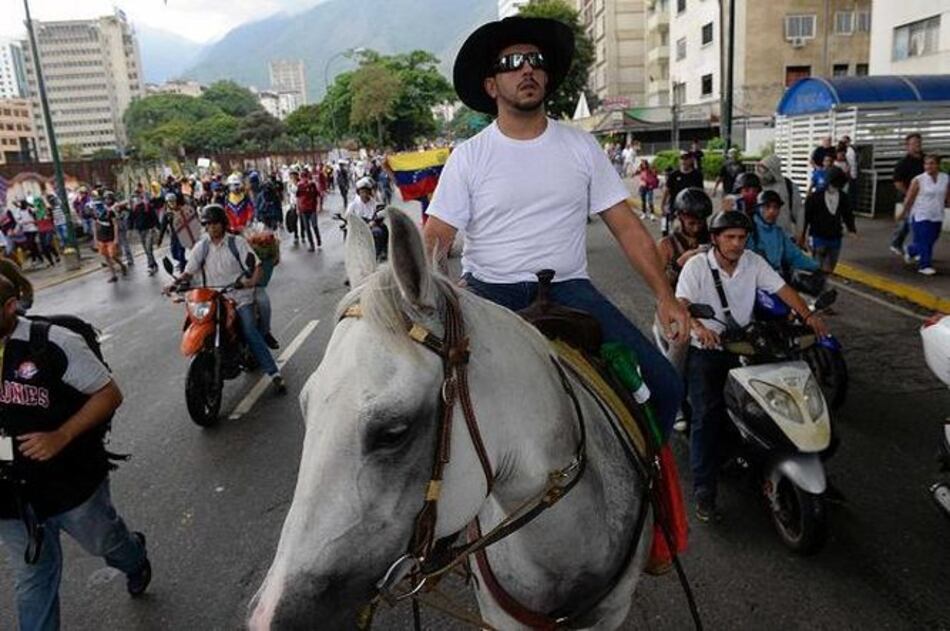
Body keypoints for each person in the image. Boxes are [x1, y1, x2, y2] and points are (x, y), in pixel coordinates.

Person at [423, 16, 688, 436]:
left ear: (545, 75)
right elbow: (437, 235)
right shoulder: (469, 157)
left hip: (569, 290)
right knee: (436, 410)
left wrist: (664, 295)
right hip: (490, 293)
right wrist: (427, 287)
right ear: (492, 86)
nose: (526, 68)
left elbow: (627, 227)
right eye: (511, 62)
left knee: (664, 385)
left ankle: (649, 493)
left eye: (535, 60)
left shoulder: (582, 146)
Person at [0, 275, 151, 629]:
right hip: (10, 498)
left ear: (9, 308)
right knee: (32, 579)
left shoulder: (51, 342)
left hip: (70, 483)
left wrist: (61, 435)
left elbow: (108, 394)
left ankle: (134, 557)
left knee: (106, 543)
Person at [675, 211, 828, 521]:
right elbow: (681, 304)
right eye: (729, 237)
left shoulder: (753, 262)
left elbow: (783, 290)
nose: (736, 244)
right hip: (707, 350)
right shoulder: (697, 266)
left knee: (772, 398)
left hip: (744, 344)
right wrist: (697, 327)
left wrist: (808, 316)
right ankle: (704, 489)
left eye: (741, 238)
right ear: (715, 238)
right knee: (707, 414)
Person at [173, 205, 285, 392]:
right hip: (212, 297)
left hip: (238, 296)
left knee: (249, 329)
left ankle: (274, 373)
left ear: (223, 224)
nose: (212, 228)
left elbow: (255, 266)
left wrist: (250, 281)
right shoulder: (202, 247)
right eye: (208, 224)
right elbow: (188, 271)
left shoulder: (237, 243)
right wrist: (177, 283)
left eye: (216, 223)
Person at [656, 187, 712, 432]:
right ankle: (674, 400)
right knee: (681, 341)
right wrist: (681, 262)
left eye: (700, 220)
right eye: (691, 220)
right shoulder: (667, 245)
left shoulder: (712, 240)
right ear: (680, 216)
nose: (697, 225)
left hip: (707, 308)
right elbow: (657, 282)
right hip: (673, 309)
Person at [898, 154, 949, 276]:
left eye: (932, 163)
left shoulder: (945, 178)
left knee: (932, 239)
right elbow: (909, 198)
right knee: (925, 241)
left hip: (937, 214)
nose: (928, 166)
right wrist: (903, 212)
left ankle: (910, 250)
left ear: (937, 165)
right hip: (921, 214)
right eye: (926, 164)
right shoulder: (918, 180)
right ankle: (924, 265)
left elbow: (947, 195)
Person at [748, 190, 819, 276]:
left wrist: (817, 267)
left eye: (776, 207)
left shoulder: (779, 234)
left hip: (775, 279)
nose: (771, 211)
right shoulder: (749, 231)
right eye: (767, 207)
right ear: (758, 209)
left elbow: (795, 256)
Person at [801, 166, 856, 274]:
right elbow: (806, 217)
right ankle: (818, 286)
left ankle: (823, 283)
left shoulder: (843, 197)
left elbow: (848, 214)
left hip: (835, 237)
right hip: (818, 236)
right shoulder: (815, 197)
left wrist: (852, 229)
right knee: (818, 266)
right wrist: (803, 235)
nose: (836, 187)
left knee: (831, 266)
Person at [890, 132, 925, 256]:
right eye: (914, 143)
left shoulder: (926, 161)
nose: (917, 145)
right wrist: (908, 194)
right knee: (905, 224)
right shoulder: (903, 163)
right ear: (908, 146)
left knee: (921, 224)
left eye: (919, 143)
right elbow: (897, 182)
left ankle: (918, 248)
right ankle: (896, 243)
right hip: (907, 197)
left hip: (924, 197)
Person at [755, 154, 804, 238]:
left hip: (784, 236)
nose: (760, 174)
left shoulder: (789, 186)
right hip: (759, 238)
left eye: (764, 170)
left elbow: (799, 212)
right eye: (759, 170)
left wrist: (800, 233)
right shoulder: (754, 185)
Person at [660, 151, 705, 236]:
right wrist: (663, 206)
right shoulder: (673, 175)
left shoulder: (697, 175)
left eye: (686, 158)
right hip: (676, 209)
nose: (684, 161)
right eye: (682, 158)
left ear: (691, 160)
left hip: (692, 209)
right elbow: (667, 190)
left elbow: (700, 192)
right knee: (675, 232)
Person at [347, 177, 386, 258]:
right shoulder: (353, 204)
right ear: (359, 193)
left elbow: (379, 214)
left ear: (369, 192)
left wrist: (374, 222)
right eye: (362, 192)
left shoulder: (374, 203)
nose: (364, 194)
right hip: (358, 226)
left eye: (366, 192)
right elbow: (348, 216)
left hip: (371, 225)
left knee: (380, 232)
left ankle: (378, 253)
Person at [93, 199, 126, 283]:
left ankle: (122, 265)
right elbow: (95, 226)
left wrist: (116, 238)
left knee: (113, 255)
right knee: (106, 257)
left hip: (110, 238)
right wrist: (96, 239)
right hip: (101, 238)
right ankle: (113, 275)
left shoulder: (110, 212)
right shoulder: (96, 214)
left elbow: (115, 225)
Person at [129, 185, 159, 275]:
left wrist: (158, 227)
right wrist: (130, 229)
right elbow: (131, 218)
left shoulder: (147, 205)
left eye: (139, 195)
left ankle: (150, 266)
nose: (137, 197)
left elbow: (154, 216)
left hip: (149, 229)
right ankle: (154, 263)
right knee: (146, 249)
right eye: (136, 195)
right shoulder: (134, 207)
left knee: (149, 248)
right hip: (140, 230)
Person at [105, 191, 134, 268]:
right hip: (111, 228)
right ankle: (118, 259)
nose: (107, 201)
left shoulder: (116, 205)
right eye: (106, 199)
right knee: (116, 245)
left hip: (120, 226)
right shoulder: (107, 207)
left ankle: (129, 259)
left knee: (124, 243)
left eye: (108, 199)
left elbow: (126, 205)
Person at [295, 170, 321, 252]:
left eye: (305, 177)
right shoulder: (299, 186)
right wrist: (297, 208)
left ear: (307, 177)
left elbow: (317, 195)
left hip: (312, 208)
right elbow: (298, 198)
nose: (304, 179)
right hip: (303, 209)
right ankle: (311, 245)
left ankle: (318, 239)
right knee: (307, 228)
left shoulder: (312, 185)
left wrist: (319, 206)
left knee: (314, 225)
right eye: (302, 177)